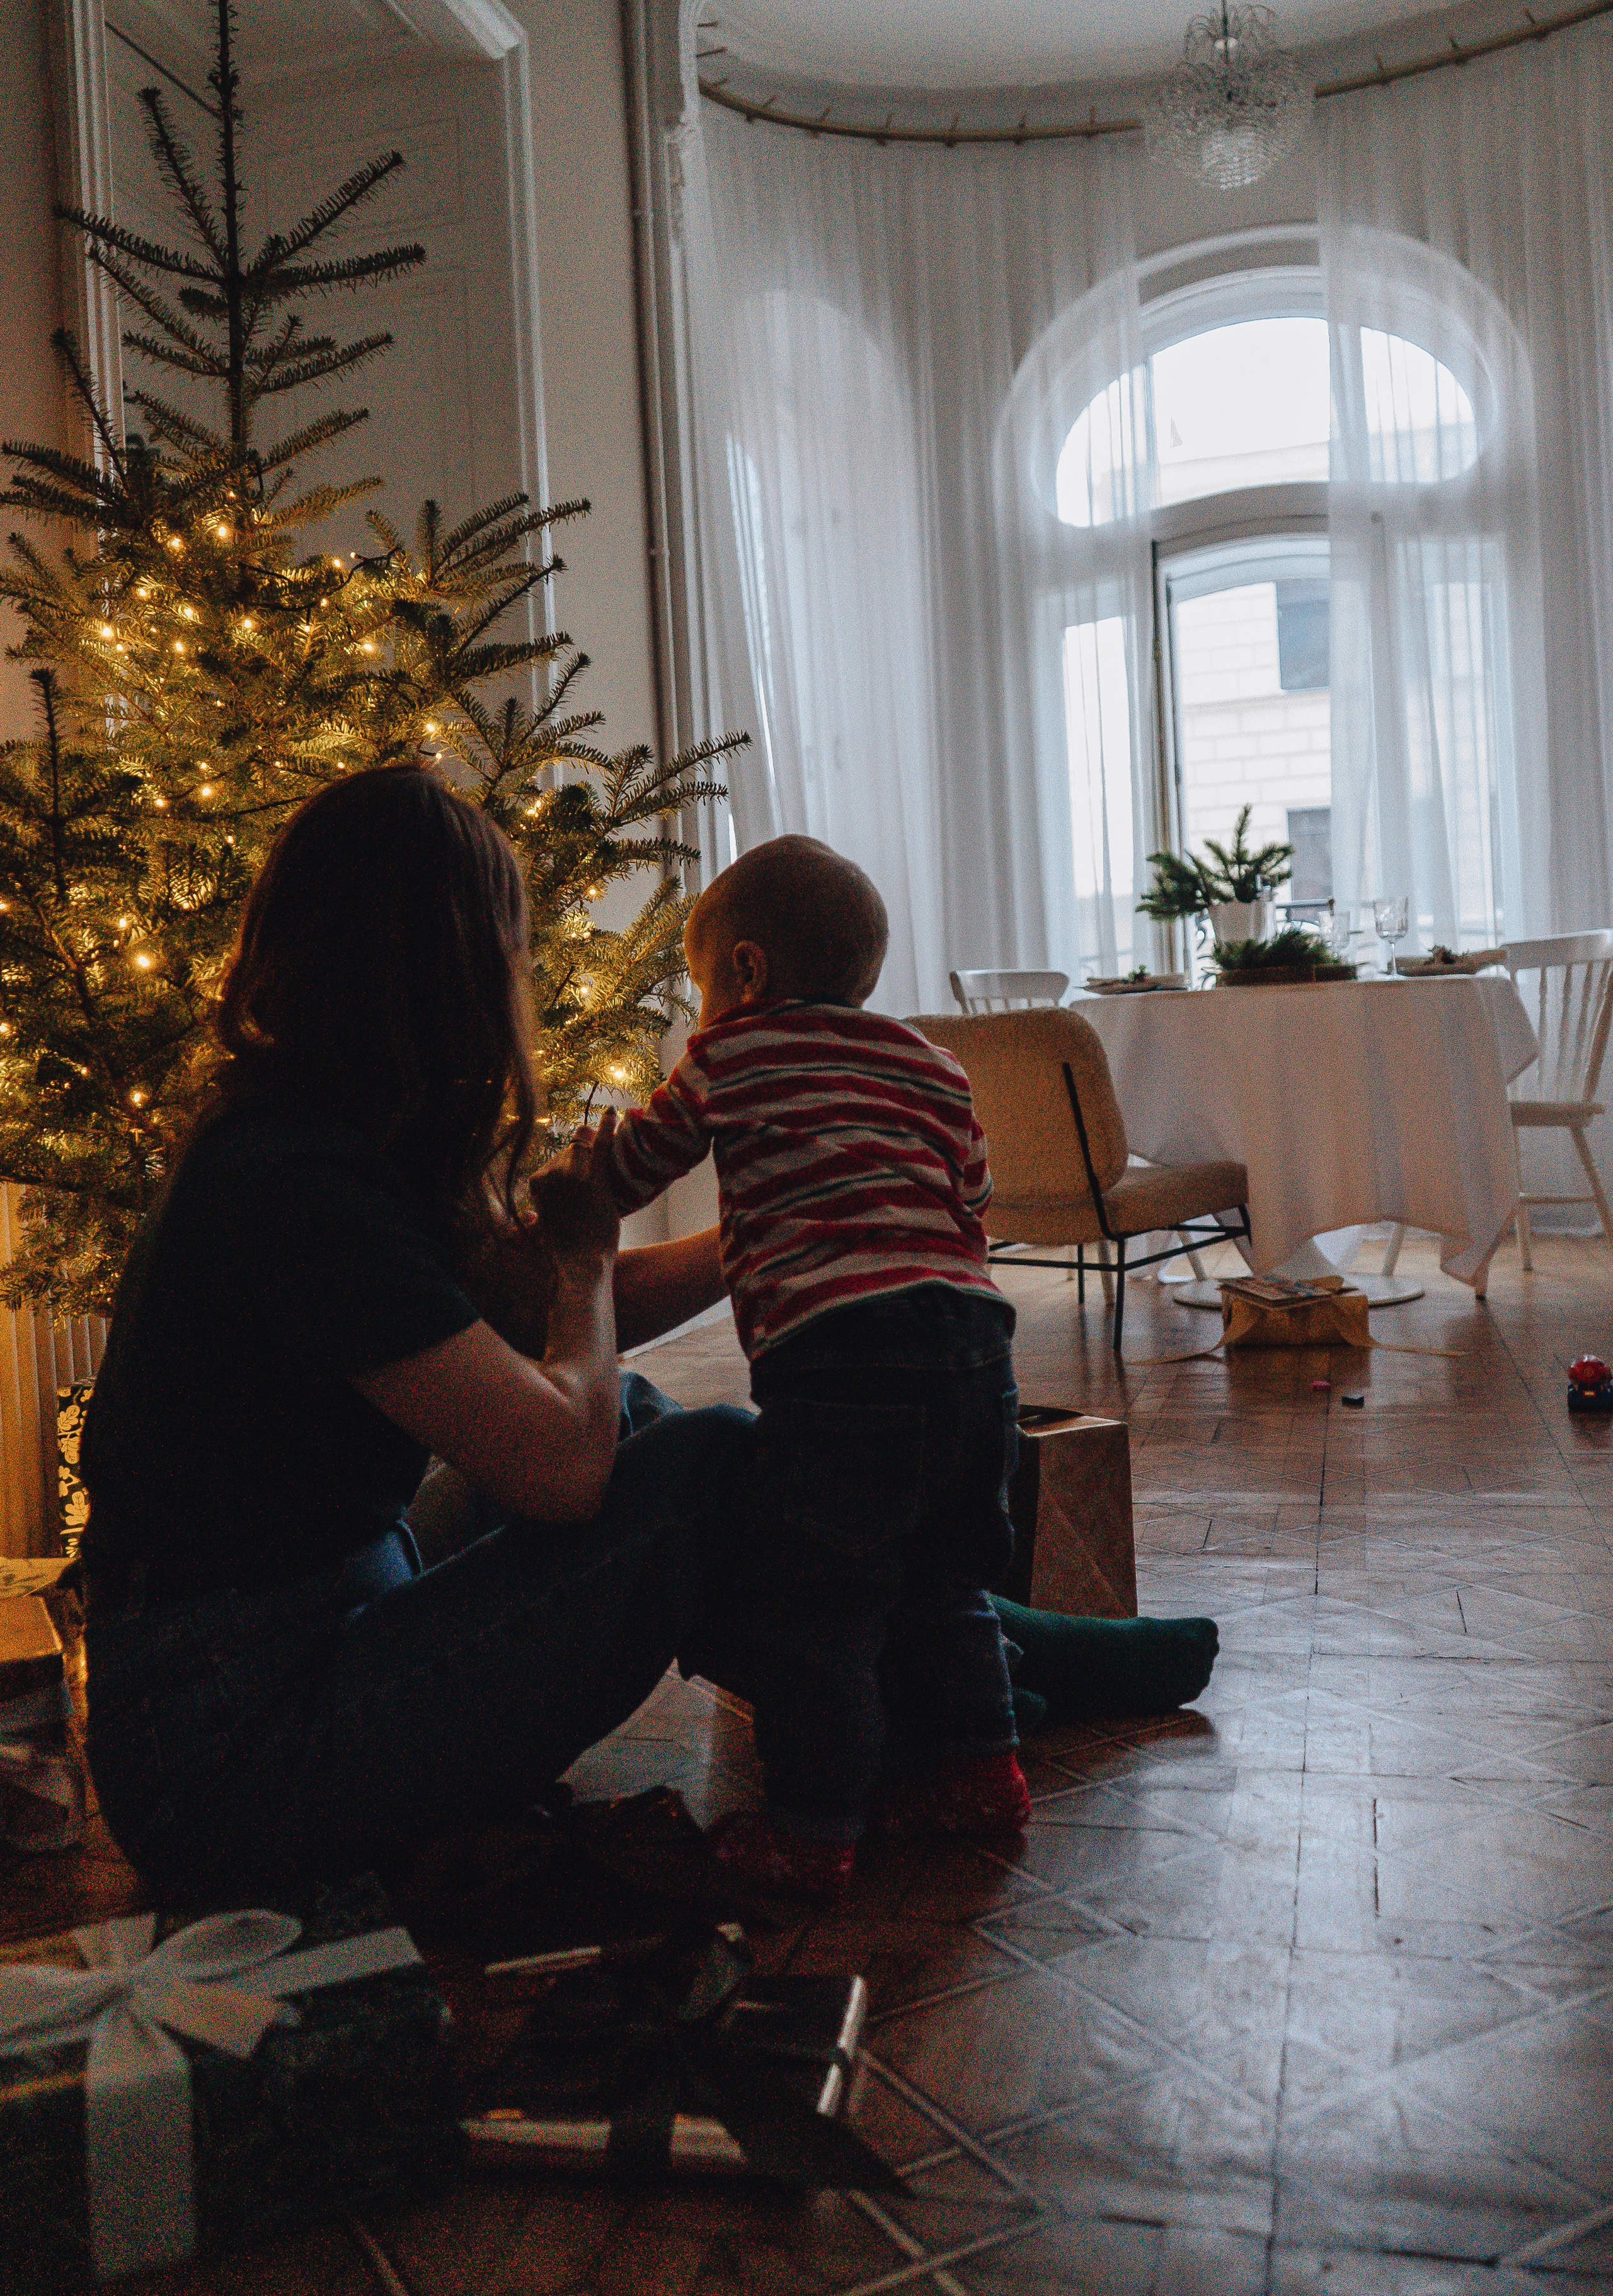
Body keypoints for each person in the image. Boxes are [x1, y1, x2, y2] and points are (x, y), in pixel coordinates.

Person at [77, 768, 1215, 1907]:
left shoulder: (331, 1140)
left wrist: (808, 1210)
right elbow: (562, 1470)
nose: (520, 983)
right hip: (231, 1756)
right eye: (512, 953)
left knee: (634, 1417)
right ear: (445, 969)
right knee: (711, 1458)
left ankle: (981, 1658)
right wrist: (587, 1255)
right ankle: (982, 1673)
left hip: (305, 1633)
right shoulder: (295, 1183)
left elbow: (540, 1310)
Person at [603, 836, 1217, 1897]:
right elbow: (969, 1192)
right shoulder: (931, 1062)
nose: (703, 1008)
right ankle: (980, 1771)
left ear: (744, 973)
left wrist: (580, 1191)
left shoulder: (732, 1054)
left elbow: (644, 1161)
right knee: (948, 1577)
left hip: (838, 1367)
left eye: (701, 985)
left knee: (822, 1601)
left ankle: (814, 1824)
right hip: (974, 1352)